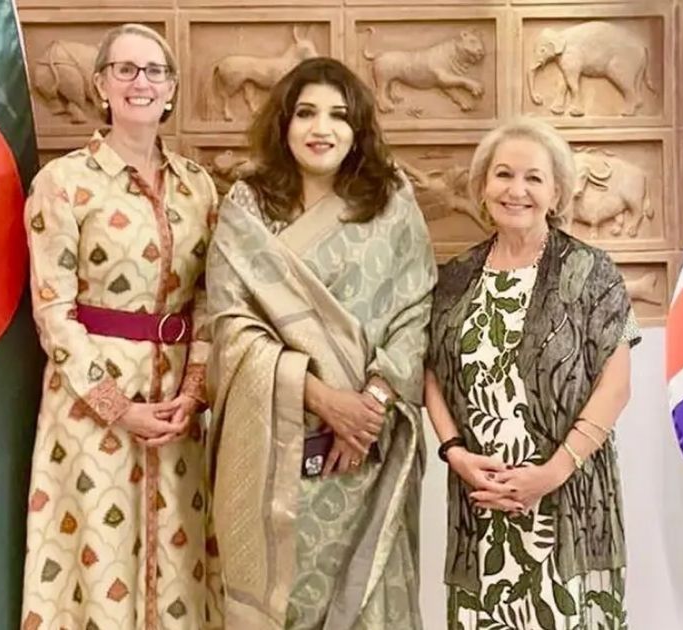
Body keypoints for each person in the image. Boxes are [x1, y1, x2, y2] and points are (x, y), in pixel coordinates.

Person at [203, 57, 435, 629]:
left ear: (357, 129)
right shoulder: (249, 206)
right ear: (284, 124)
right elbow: (230, 325)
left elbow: (416, 309)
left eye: (338, 115)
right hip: (274, 450)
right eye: (306, 113)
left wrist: (370, 406)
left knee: (369, 602)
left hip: (367, 448)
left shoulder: (390, 200)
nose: (321, 128)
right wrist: (323, 400)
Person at [20, 23, 220, 630]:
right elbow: (53, 311)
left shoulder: (199, 187)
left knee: (180, 561)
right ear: (101, 84)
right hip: (90, 410)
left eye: (154, 71)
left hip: (176, 411)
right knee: (97, 561)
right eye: (125, 69)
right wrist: (117, 407)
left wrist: (193, 392)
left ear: (172, 88)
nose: (141, 82)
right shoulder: (63, 183)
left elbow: (210, 299)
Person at [425, 117, 641, 629]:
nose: (516, 190)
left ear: (556, 193)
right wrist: (455, 454)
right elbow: (431, 372)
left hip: (566, 500)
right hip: (482, 505)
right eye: (503, 174)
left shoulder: (590, 271)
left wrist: (553, 471)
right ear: (483, 186)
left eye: (533, 178)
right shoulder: (455, 278)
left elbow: (616, 386)